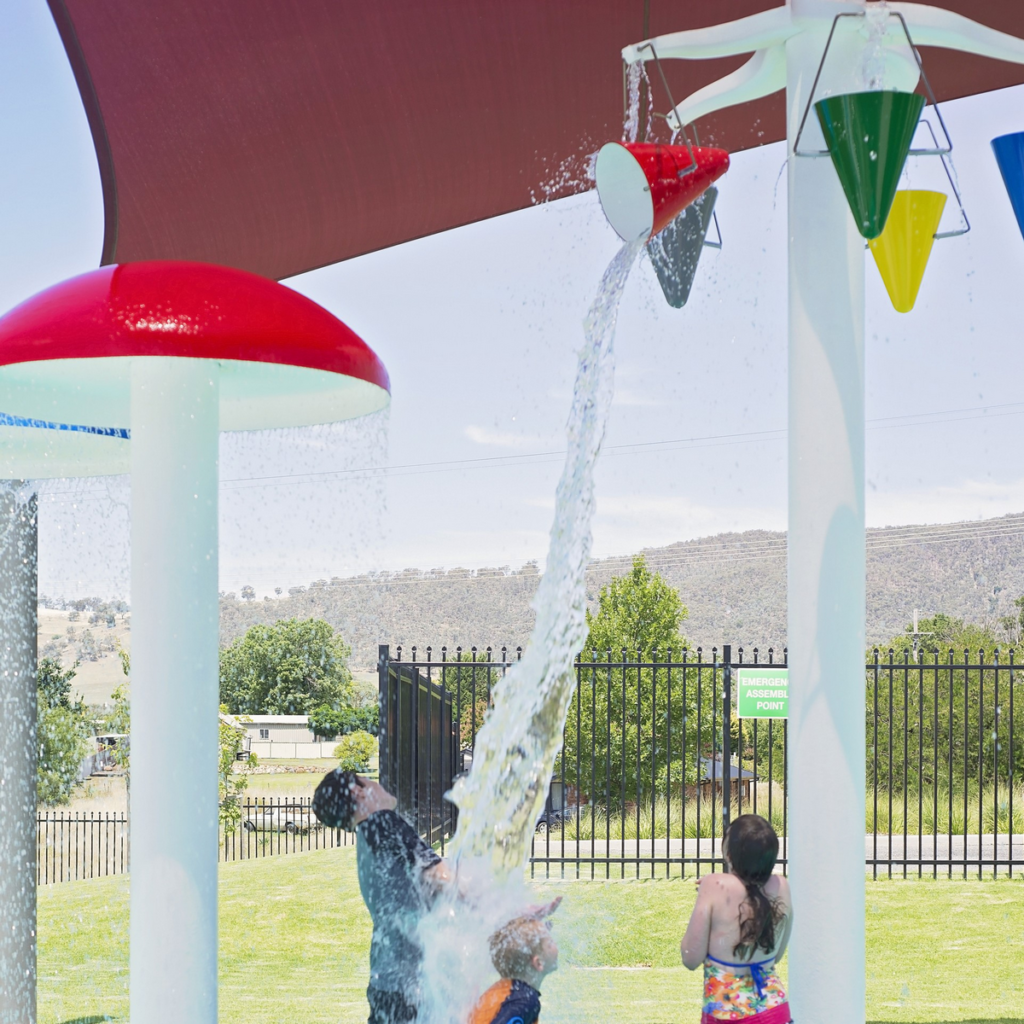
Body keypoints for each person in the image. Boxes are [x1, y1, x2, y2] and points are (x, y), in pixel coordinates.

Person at [312, 769, 453, 1024]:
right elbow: (445, 879)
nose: (377, 783)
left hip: (387, 982)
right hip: (410, 986)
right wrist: (507, 908)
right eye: (368, 779)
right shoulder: (383, 823)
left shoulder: (367, 838)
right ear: (357, 790)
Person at [680, 814, 792, 1024]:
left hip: (728, 1013)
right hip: (775, 1011)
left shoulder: (713, 885)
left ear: (729, 852)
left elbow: (690, 958)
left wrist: (709, 892)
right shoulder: (782, 886)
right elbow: (774, 956)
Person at [467, 914, 559, 1024]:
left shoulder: (504, 990)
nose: (556, 945)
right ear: (538, 963)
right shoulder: (524, 1000)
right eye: (550, 943)